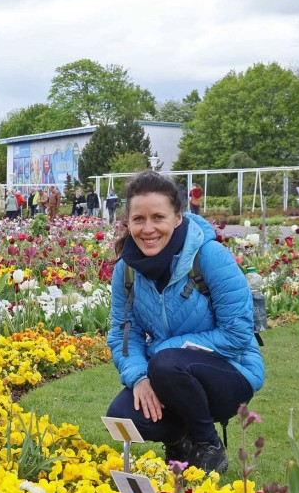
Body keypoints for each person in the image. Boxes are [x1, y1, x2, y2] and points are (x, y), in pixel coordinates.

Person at [105, 171, 264, 475]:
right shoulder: (126, 270)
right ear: (128, 221)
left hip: (230, 372)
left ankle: (209, 445)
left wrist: (163, 351)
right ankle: (181, 441)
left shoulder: (208, 256)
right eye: (139, 219)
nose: (148, 228)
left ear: (178, 217)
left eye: (158, 217)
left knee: (166, 362)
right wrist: (139, 378)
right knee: (123, 414)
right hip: (169, 373)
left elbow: (238, 333)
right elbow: (124, 334)